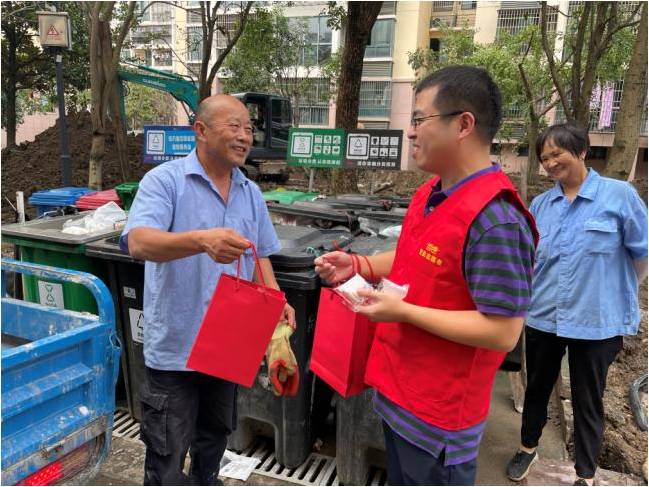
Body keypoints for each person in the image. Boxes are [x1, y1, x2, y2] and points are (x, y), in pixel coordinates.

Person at [314, 65, 538, 486]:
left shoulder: (497, 220)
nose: (411, 131)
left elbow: (503, 331)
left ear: (463, 125)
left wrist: (404, 312)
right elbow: (413, 255)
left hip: (438, 424)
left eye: (419, 119)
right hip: (398, 396)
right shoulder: (432, 192)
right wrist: (358, 265)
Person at [120, 94, 295, 485]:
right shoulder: (165, 181)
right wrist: (200, 240)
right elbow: (138, 242)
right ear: (200, 130)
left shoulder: (250, 192)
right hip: (176, 350)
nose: (245, 136)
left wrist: (276, 301)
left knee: (214, 440)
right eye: (234, 126)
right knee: (166, 456)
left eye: (249, 128)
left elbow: (260, 255)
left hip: (227, 348)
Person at [506, 123, 648, 486]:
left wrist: (618, 295)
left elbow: (642, 255)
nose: (550, 163)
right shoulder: (542, 204)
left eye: (557, 154)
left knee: (588, 398)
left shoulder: (619, 196)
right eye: (545, 158)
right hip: (544, 316)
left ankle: (585, 472)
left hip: (596, 321)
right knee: (537, 388)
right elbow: (532, 261)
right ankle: (527, 448)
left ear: (582, 151)